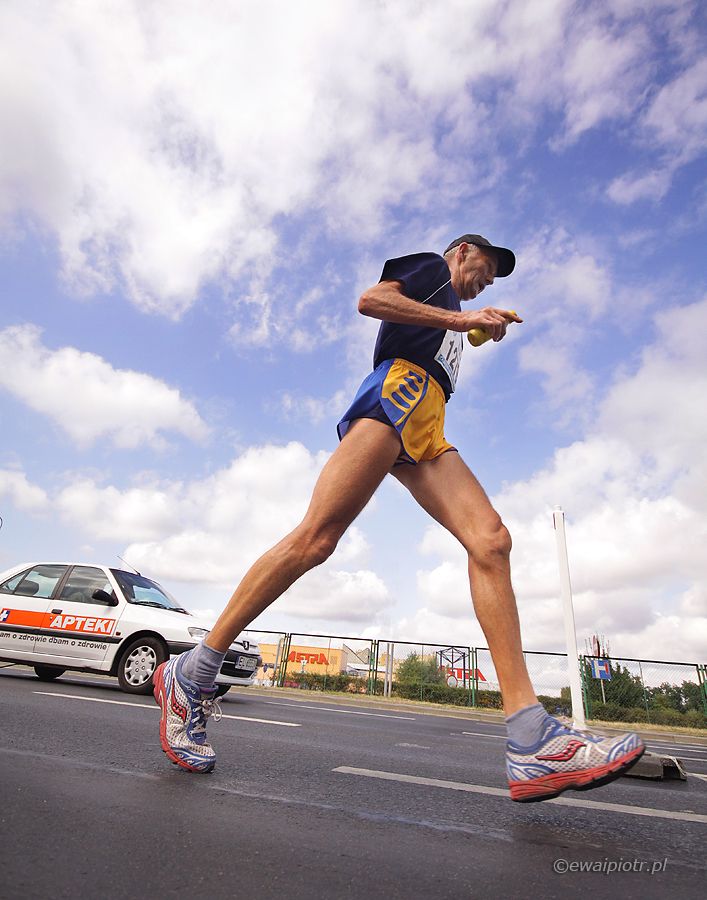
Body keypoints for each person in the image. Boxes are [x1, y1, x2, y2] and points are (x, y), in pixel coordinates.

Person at [153, 233, 645, 801]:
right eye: (485, 269)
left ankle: (531, 738)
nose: (486, 282)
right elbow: (372, 301)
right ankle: (192, 673)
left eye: (492, 281)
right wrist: (462, 320)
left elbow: (443, 330)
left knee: (491, 540)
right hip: (397, 392)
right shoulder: (432, 269)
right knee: (315, 540)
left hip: (429, 422)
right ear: (463, 251)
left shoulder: (452, 306)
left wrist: (471, 325)